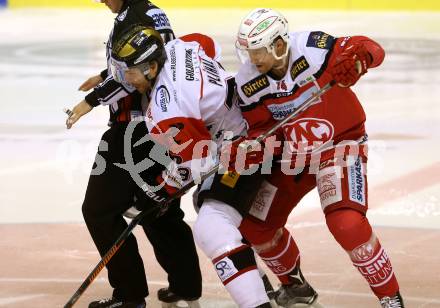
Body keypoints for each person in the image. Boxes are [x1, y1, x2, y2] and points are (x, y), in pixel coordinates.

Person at [233, 8, 404, 308]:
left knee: (347, 223)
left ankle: (391, 298)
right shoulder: (248, 81)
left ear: (279, 45)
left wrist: (360, 60)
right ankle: (295, 287)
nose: (253, 58)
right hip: (294, 154)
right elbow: (260, 128)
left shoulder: (312, 47)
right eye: (249, 51)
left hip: (339, 144)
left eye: (258, 50)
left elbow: (370, 48)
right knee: (254, 226)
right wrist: (254, 146)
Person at [110, 24, 277, 307]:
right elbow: (209, 43)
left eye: (130, 70)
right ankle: (260, 284)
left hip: (247, 148)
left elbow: (197, 162)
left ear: (151, 67)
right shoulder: (180, 46)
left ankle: (257, 302)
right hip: (257, 122)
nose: (127, 78)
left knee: (212, 225)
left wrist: (162, 190)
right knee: (207, 202)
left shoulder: (165, 110)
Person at [65, 1, 202, 307]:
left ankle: (130, 297)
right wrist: (105, 73)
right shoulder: (150, 10)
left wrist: (92, 99)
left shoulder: (136, 15)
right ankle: (186, 285)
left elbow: (137, 73)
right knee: (157, 210)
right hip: (161, 128)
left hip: (133, 130)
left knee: (99, 210)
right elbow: (153, 56)